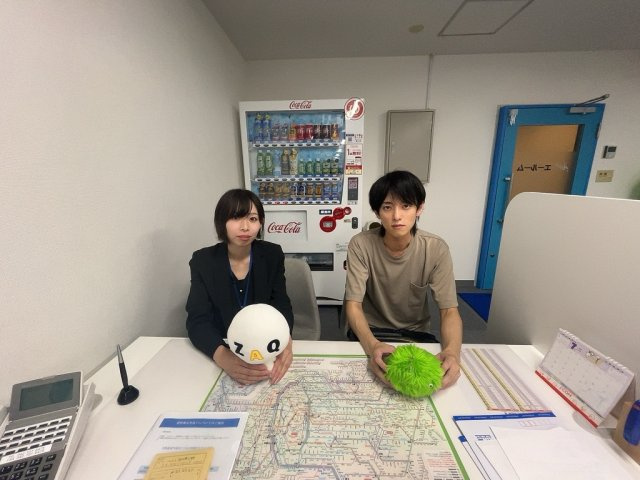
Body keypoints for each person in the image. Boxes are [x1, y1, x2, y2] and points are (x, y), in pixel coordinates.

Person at [344, 170, 463, 389]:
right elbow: (353, 305)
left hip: (416, 334)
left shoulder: (435, 248)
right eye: (387, 207)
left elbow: (449, 311)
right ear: (377, 212)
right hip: (372, 331)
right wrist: (372, 346)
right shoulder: (360, 245)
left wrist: (452, 353)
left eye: (406, 206)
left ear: (419, 208)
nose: (397, 216)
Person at [186, 189, 294, 385]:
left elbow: (281, 304)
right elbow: (197, 320)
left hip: (264, 344)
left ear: (260, 223)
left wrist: (285, 340)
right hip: (225, 344)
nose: (245, 227)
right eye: (236, 218)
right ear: (222, 222)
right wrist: (222, 356)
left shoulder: (272, 255)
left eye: (252, 219)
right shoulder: (203, 261)